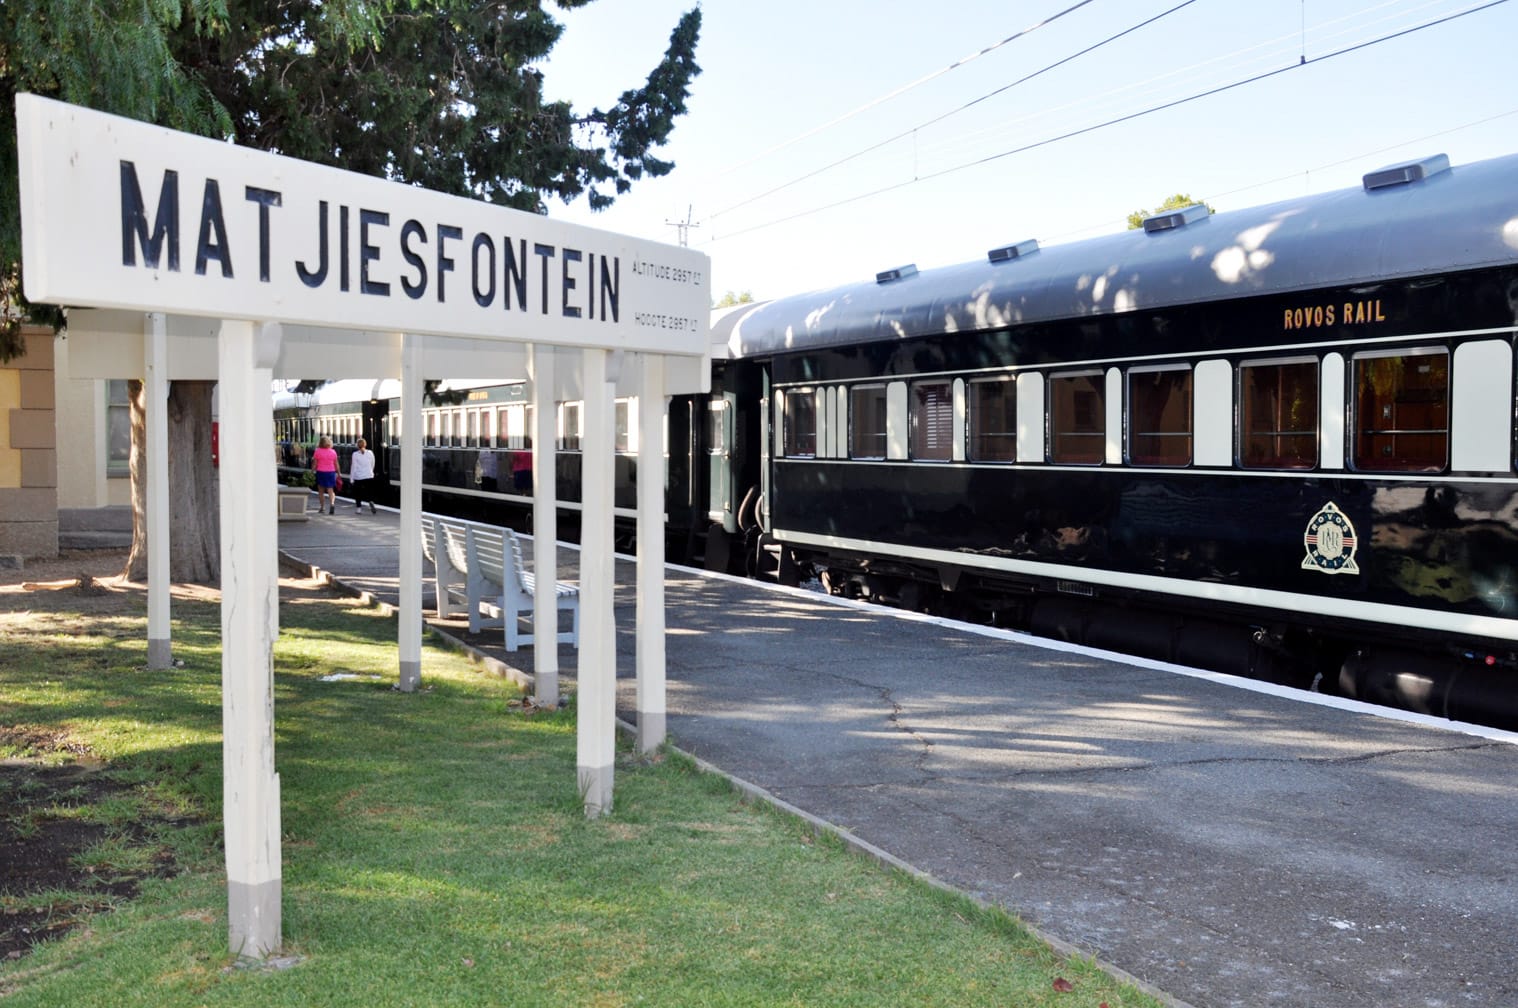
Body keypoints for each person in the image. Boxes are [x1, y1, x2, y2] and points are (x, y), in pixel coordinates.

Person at [311, 436, 340, 515]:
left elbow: (315, 464)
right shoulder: (333, 452)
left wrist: (311, 472)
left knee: (321, 491)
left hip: (321, 472)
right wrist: (339, 473)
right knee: (330, 490)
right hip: (331, 472)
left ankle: (322, 507)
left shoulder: (317, 451)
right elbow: (336, 463)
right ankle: (332, 504)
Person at [349, 437, 377, 513]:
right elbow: (372, 463)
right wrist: (371, 472)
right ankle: (371, 501)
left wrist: (351, 479)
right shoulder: (370, 452)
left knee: (358, 493)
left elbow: (353, 466)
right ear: (365, 444)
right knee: (369, 491)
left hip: (358, 477)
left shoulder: (355, 454)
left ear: (357, 446)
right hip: (369, 475)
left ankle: (359, 509)